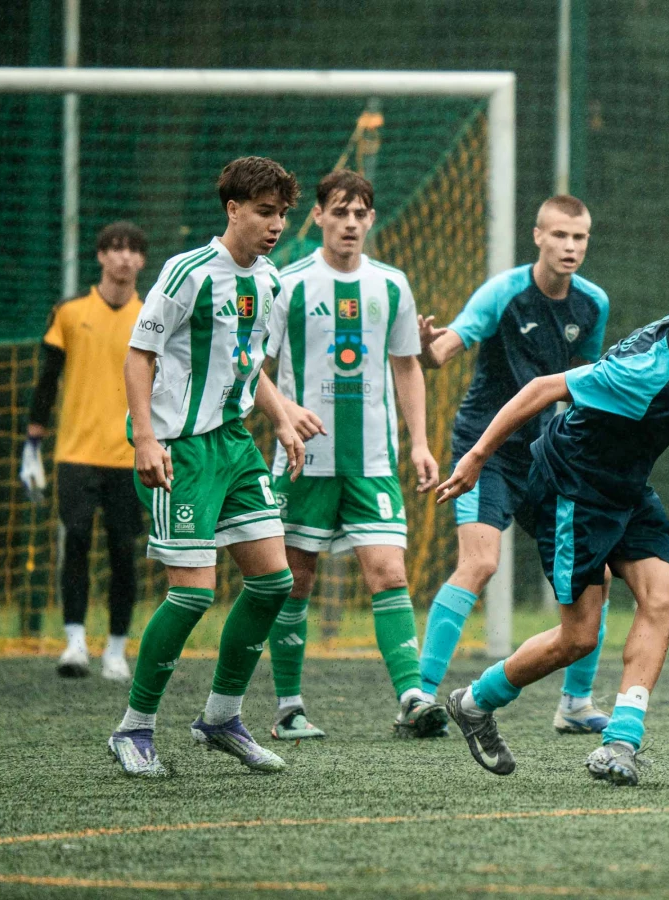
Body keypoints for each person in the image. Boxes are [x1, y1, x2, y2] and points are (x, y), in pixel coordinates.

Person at [436, 273, 669, 785]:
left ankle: (620, 741)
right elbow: (542, 388)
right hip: (574, 490)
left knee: (664, 595)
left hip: (627, 488)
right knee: (578, 638)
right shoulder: (638, 373)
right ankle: (474, 701)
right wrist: (477, 457)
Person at [107, 156, 306, 777]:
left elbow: (248, 364)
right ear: (233, 209)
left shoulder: (270, 280)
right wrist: (145, 438)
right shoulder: (187, 271)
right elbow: (138, 355)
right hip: (180, 447)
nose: (276, 225)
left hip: (233, 444)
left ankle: (221, 718)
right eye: (265, 212)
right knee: (192, 594)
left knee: (274, 582)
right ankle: (133, 728)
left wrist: (280, 418)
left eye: (282, 214)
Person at [416, 195, 612, 735]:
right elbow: (443, 351)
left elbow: (586, 382)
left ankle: (575, 704)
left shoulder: (593, 303)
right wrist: (427, 346)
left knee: (597, 573)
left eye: (579, 237)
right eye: (560, 235)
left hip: (547, 455)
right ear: (538, 236)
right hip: (486, 450)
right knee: (480, 563)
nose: (570, 246)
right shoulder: (503, 293)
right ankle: (419, 695)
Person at [262, 168, 439, 741]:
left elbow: (407, 366)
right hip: (303, 463)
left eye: (360, 214)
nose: (350, 223)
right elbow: (253, 367)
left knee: (389, 573)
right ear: (317, 216)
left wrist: (420, 443)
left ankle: (412, 696)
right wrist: (285, 412)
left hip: (372, 463)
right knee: (295, 580)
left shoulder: (392, 285)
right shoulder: (287, 283)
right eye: (339, 212)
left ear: (371, 220)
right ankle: (288, 707)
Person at [24, 222, 149, 681]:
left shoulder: (151, 316)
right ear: (100, 255)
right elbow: (46, 381)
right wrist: (31, 447)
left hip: (129, 454)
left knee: (123, 551)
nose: (123, 256)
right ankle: (75, 642)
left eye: (133, 249)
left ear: (142, 260)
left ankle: (116, 650)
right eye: (115, 248)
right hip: (75, 454)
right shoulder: (70, 312)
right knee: (74, 542)